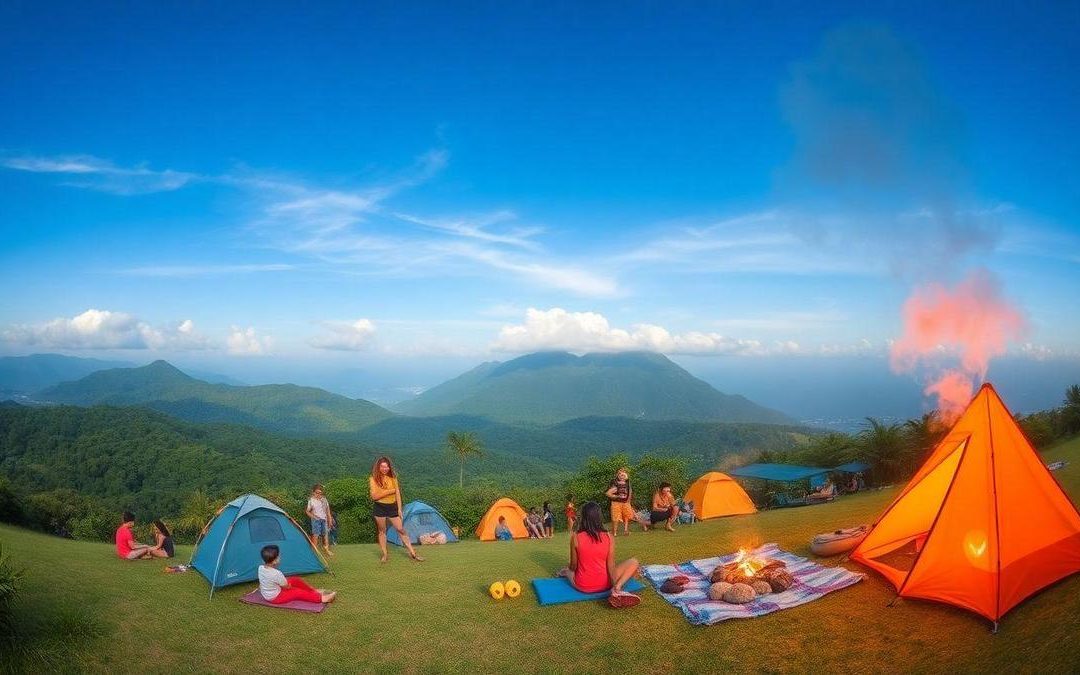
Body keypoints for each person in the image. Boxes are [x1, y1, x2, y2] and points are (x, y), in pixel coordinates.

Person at [556, 501, 641, 608]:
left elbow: (573, 566)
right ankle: (617, 589)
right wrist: (614, 584)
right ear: (599, 517)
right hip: (606, 585)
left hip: (583, 586)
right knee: (634, 562)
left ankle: (563, 572)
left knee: (568, 571)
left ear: (583, 518)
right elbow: (610, 566)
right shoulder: (608, 537)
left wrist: (568, 570)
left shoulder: (576, 537)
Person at [369, 456, 423, 563]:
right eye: (382, 467)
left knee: (400, 529)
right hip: (379, 507)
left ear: (389, 467)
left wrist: (399, 508)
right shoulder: (373, 479)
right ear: (378, 467)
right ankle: (384, 554)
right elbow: (374, 497)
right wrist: (390, 491)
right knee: (382, 531)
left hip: (392, 507)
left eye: (387, 466)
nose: (385, 469)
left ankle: (413, 553)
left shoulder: (393, 479)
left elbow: (397, 494)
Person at [258, 544, 336, 605]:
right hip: (275, 597)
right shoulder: (277, 574)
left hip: (268, 593)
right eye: (279, 556)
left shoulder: (260, 568)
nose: (280, 556)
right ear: (275, 561)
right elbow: (286, 587)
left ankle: (313, 591)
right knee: (297, 592)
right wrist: (290, 586)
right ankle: (322, 599)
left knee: (295, 579)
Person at [605, 467, 648, 536]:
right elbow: (608, 493)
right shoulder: (616, 484)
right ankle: (614, 532)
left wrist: (628, 501)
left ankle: (626, 530)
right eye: (620, 474)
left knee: (627, 516)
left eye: (624, 475)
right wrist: (616, 496)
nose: (622, 476)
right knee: (615, 517)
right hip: (616, 503)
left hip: (625, 502)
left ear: (626, 476)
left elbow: (629, 493)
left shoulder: (628, 484)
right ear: (618, 476)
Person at [306, 484, 334, 556]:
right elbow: (307, 511)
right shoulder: (311, 500)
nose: (318, 494)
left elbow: (327, 511)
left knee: (325, 535)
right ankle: (314, 552)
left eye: (320, 493)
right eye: (317, 493)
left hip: (324, 519)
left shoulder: (324, 500)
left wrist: (330, 519)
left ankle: (327, 550)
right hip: (316, 520)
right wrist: (313, 517)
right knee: (316, 535)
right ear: (313, 492)